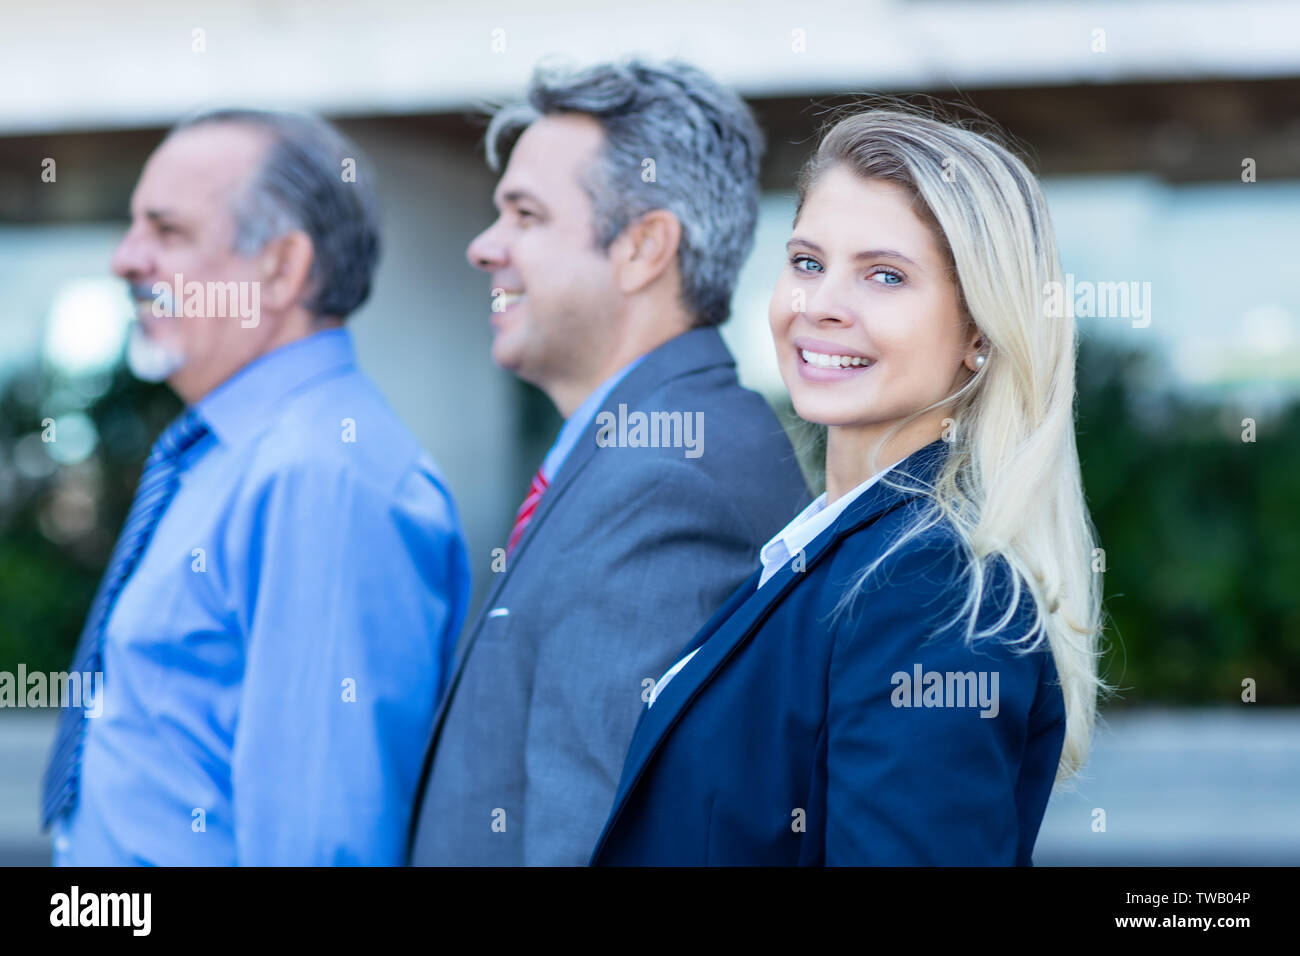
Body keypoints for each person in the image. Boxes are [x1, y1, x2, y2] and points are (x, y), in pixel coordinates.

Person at [590, 106, 1111, 865]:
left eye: (885, 275)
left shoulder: (929, 587)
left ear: (979, 333)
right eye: (807, 262)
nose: (821, 304)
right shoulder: (835, 549)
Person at [42, 109, 471, 865]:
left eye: (167, 231)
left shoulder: (325, 479)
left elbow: (326, 844)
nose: (125, 259)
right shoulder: (232, 454)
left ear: (281, 268)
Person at [408, 58, 808, 866]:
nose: (485, 247)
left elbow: (596, 843)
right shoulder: (641, 452)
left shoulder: (664, 487)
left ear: (643, 247)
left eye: (525, 215)